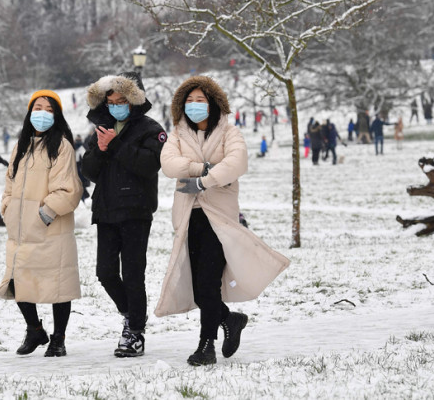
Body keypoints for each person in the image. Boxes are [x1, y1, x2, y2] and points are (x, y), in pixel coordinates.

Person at [157, 75, 290, 366]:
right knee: (199, 287)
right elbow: (169, 164)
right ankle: (230, 319)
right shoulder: (177, 135)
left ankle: (206, 346)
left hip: (219, 218)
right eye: (189, 101)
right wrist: (203, 168)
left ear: (213, 103)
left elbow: (236, 162)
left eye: (200, 100)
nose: (194, 105)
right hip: (189, 217)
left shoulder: (229, 132)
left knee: (208, 282)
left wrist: (204, 181)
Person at [81, 71, 166, 358]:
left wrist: (115, 145)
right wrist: (101, 149)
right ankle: (132, 314)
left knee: (132, 274)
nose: (116, 106)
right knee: (105, 273)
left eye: (122, 101)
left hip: (135, 211)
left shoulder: (150, 129)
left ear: (133, 100)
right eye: (111, 102)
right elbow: (89, 171)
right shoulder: (102, 127)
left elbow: (149, 165)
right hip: (105, 210)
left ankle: (135, 333)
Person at [0, 90, 83, 358]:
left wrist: (45, 213)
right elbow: (9, 182)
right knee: (18, 280)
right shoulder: (21, 146)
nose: (42, 114)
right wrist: (8, 207)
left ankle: (59, 339)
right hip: (20, 230)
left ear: (57, 115)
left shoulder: (62, 146)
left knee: (58, 284)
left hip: (50, 229)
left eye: (49, 109)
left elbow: (68, 189)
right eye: (38, 108)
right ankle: (34, 329)